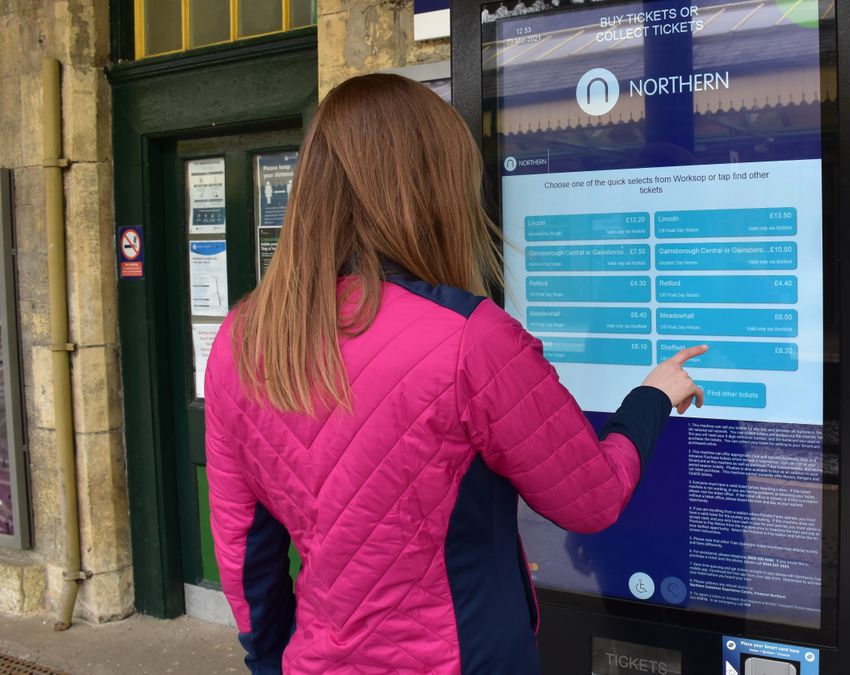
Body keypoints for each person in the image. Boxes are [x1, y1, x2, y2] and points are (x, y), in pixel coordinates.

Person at [203, 73, 705, 674]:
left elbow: (244, 551)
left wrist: (271, 662)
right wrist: (650, 398)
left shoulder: (243, 338)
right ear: (432, 190)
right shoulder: (468, 338)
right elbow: (591, 498)